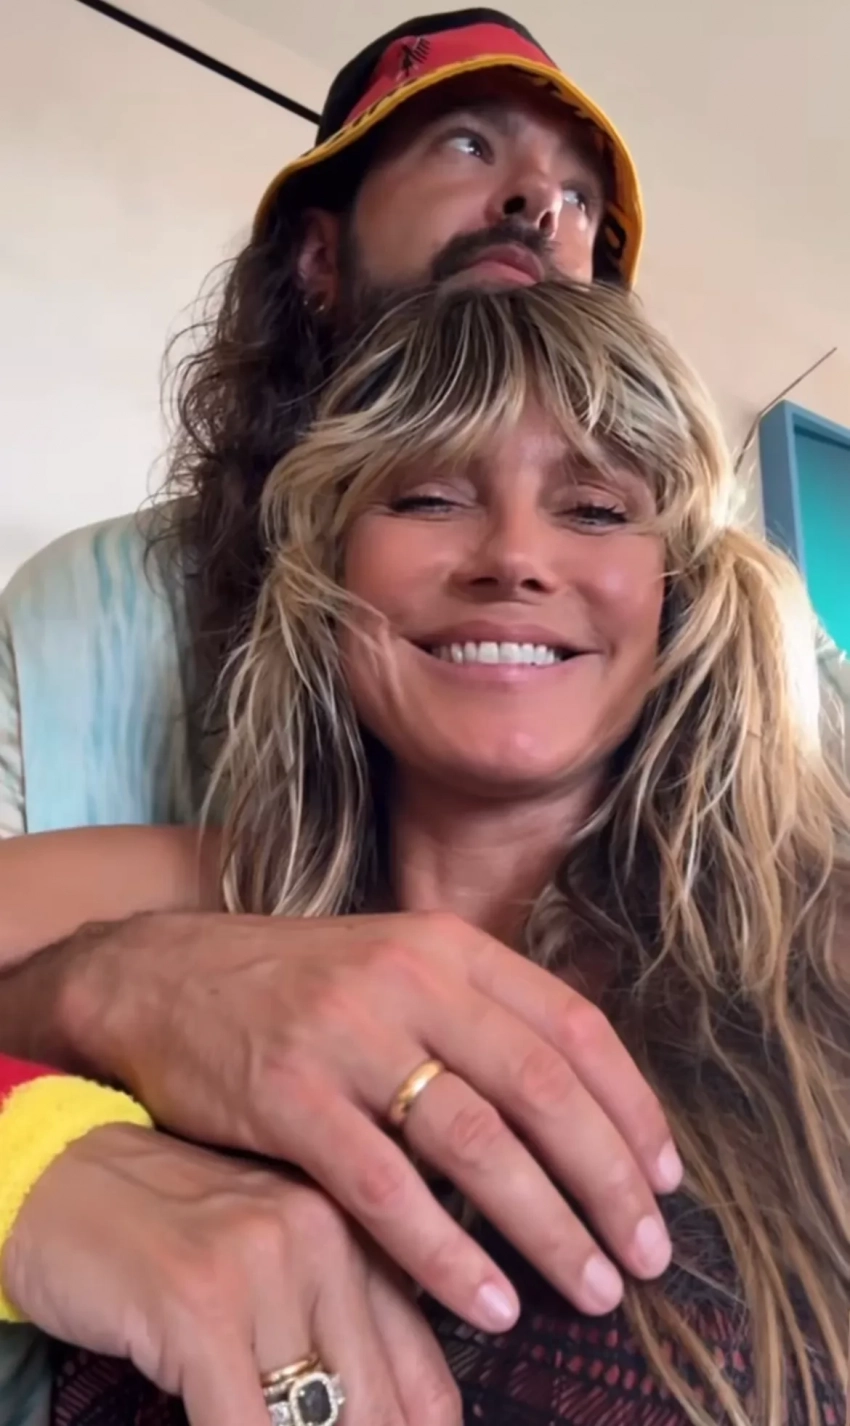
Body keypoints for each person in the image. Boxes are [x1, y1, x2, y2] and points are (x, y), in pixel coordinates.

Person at [1, 279, 848, 1426]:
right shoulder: (204, 890)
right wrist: (83, 1046)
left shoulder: (823, 940)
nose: (513, 556)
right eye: (431, 496)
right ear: (331, 575)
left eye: (595, 509)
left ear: (677, 595)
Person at [0, 10, 677, 1425]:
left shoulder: (770, 776)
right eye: (471, 144)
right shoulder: (94, 620)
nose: (538, 206)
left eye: (579, 199)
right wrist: (74, 1067)